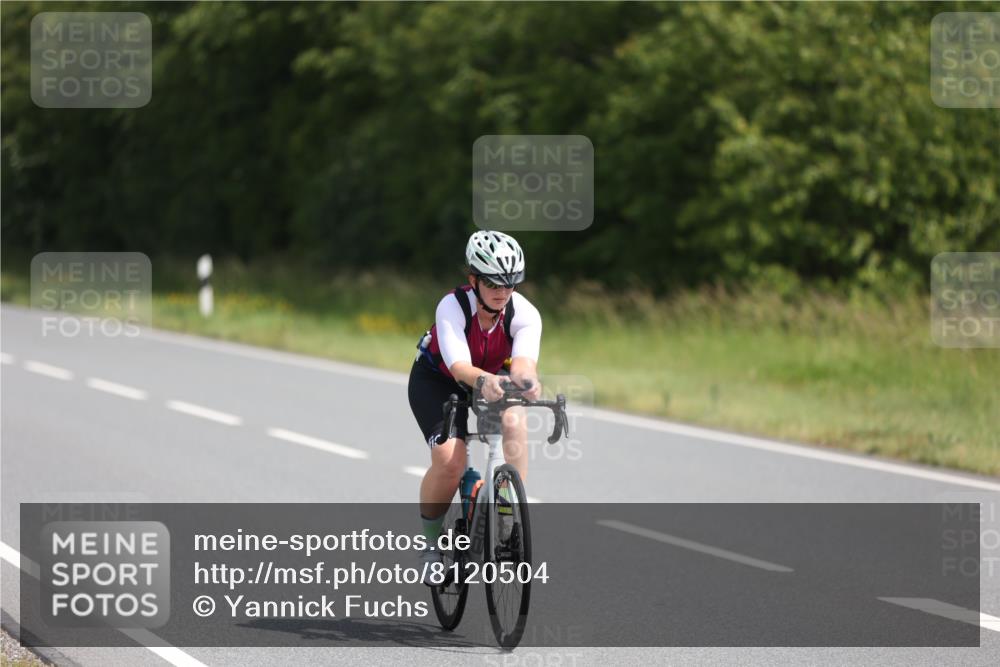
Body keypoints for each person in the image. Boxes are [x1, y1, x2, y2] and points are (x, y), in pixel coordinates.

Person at [408, 230, 542, 583]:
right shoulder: (452, 307)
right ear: (473, 281)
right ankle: (430, 545)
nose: (502, 291)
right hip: (439, 380)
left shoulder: (525, 313)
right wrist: (485, 381)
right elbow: (459, 368)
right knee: (450, 461)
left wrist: (528, 382)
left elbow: (524, 364)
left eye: (510, 283)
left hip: (493, 376)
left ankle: (508, 517)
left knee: (515, 421)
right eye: (493, 283)